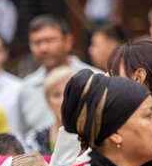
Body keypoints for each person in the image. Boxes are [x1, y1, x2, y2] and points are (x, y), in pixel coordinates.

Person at [18, 15, 99, 145]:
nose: (44, 48)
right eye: (37, 43)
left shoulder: (95, 79)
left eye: (50, 40)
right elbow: (23, 135)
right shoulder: (26, 87)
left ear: (68, 41)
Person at [24, 65, 78, 155]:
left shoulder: (94, 139)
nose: (63, 101)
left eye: (69, 93)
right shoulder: (32, 140)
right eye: (56, 95)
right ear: (48, 100)